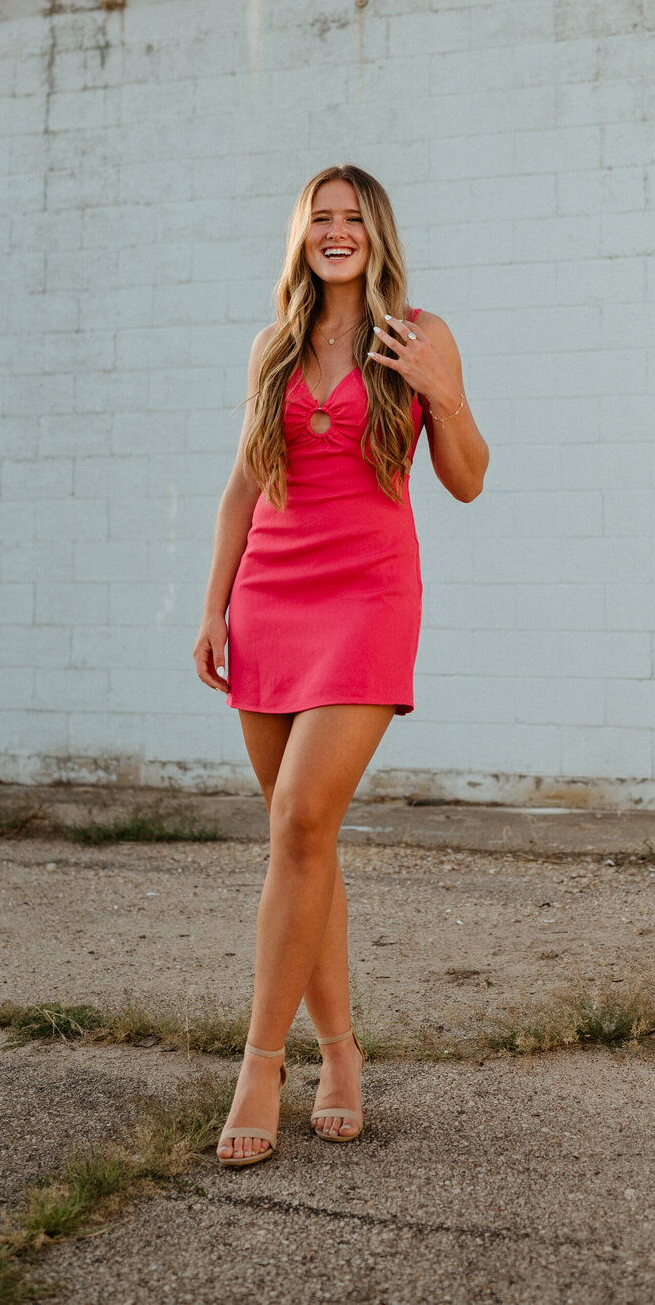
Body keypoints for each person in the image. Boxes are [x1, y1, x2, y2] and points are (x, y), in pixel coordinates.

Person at [192, 164, 489, 1167]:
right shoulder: (273, 348)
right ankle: (343, 1055)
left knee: (301, 821)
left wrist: (442, 393)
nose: (335, 231)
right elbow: (243, 488)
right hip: (269, 602)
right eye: (319, 218)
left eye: (352, 219)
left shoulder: (419, 334)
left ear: (378, 234)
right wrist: (213, 607)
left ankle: (259, 1066)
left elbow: (468, 481)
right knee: (299, 842)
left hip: (366, 600)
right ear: (300, 236)